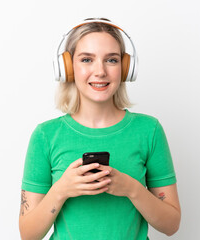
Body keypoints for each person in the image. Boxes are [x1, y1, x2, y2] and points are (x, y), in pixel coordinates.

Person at [19, 18, 181, 240]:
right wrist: (62, 189)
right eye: (87, 59)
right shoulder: (45, 136)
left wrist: (131, 189)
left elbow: (171, 225)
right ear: (67, 68)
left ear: (125, 68)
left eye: (111, 60)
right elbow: (28, 235)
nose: (100, 71)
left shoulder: (149, 130)